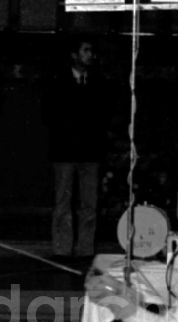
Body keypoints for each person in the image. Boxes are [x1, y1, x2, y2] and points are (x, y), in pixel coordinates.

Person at [42, 37, 110, 259]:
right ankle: (62, 249)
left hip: (90, 153)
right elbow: (51, 115)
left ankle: (85, 250)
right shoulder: (58, 81)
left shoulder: (97, 82)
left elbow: (102, 116)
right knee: (63, 203)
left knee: (89, 205)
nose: (91, 55)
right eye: (86, 50)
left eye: (91, 51)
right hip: (65, 152)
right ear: (74, 55)